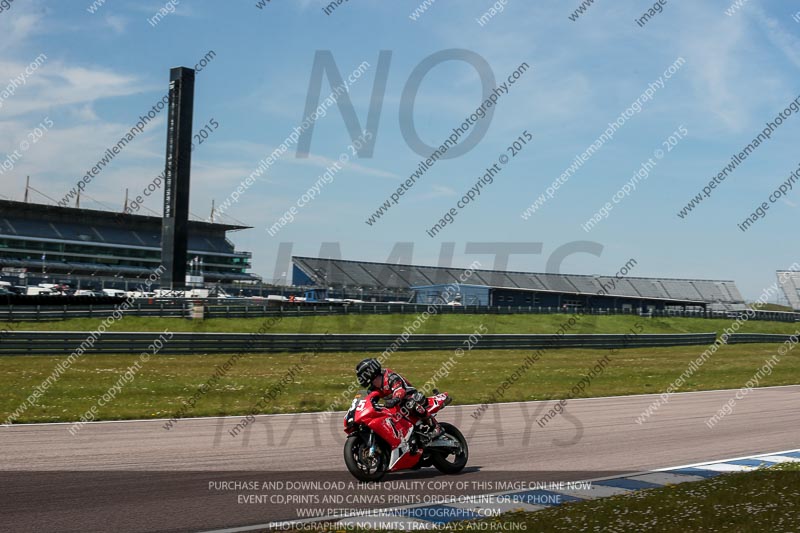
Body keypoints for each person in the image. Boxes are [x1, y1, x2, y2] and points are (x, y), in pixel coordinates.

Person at [355, 358, 443, 439]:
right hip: (398, 405)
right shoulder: (374, 388)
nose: (360, 378)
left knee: (410, 404)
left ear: (370, 372)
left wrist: (396, 399)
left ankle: (436, 426)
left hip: (413, 397)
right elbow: (369, 400)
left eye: (362, 375)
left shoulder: (390, 377)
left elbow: (399, 390)